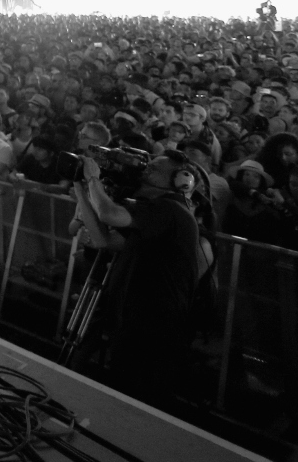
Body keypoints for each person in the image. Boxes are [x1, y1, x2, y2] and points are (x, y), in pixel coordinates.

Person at [77, 151, 205, 407]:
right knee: (123, 388)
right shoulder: (153, 213)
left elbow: (109, 215)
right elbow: (104, 239)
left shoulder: (169, 209)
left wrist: (93, 180)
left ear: (181, 180)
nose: (145, 170)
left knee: (141, 396)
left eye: (154, 169)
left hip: (155, 321)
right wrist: (80, 187)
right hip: (135, 315)